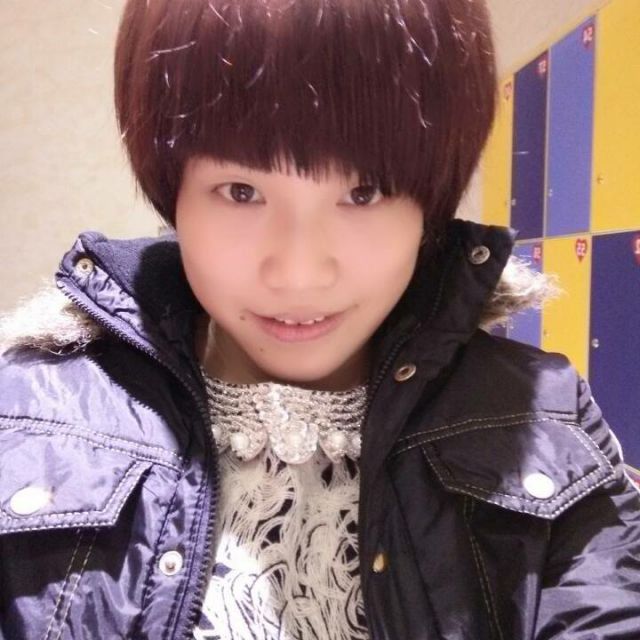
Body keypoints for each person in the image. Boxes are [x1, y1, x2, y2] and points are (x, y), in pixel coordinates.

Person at [1, 0, 639, 637]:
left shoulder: (542, 416)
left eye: (364, 192)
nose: (299, 274)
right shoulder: (28, 414)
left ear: (429, 207)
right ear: (174, 194)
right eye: (241, 192)